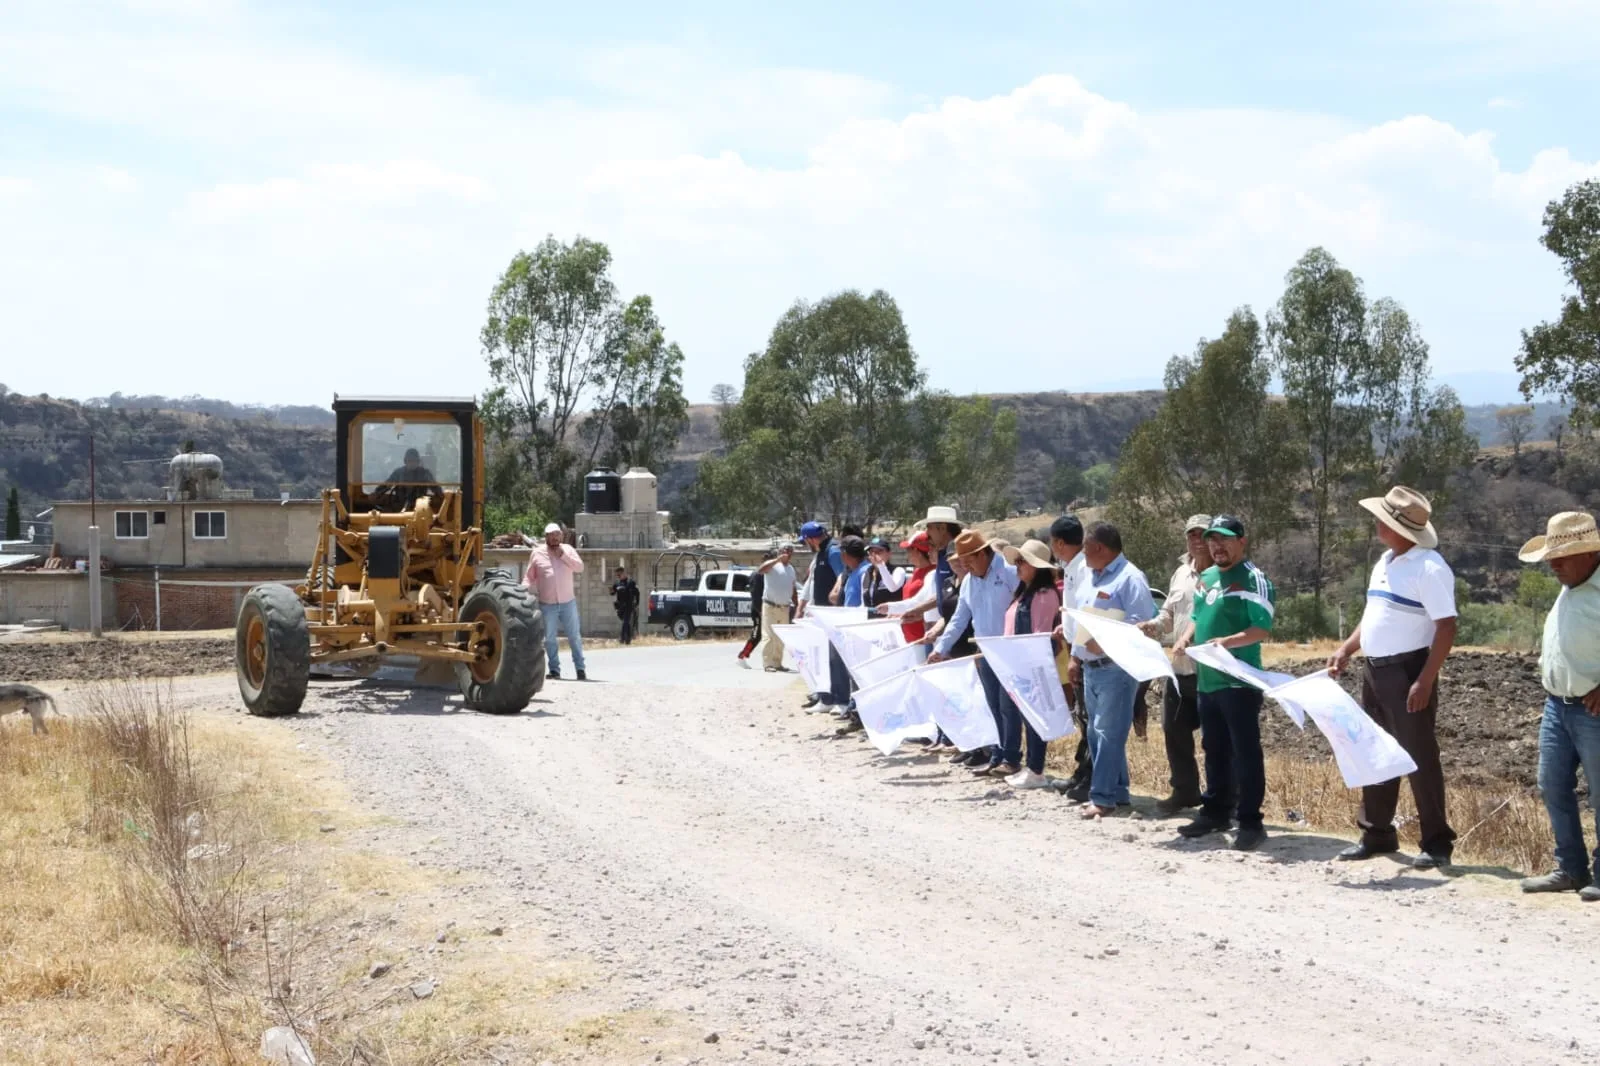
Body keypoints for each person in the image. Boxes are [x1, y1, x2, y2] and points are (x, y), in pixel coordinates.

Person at [1328, 487, 1459, 869]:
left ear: (1401, 527)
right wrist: (1348, 648)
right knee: (1375, 749)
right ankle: (1377, 833)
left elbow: (1446, 627)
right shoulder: (1385, 561)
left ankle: (1436, 843)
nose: (1376, 524)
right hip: (1376, 670)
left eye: (1383, 519)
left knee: (1418, 756)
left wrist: (1425, 680)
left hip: (1408, 670)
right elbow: (1373, 614)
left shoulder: (1429, 567)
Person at [1173, 515, 1275, 851]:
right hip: (1208, 681)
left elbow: (1262, 629)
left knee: (1244, 753)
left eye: (1224, 539)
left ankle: (1250, 821)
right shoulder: (1208, 577)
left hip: (1239, 682)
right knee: (1213, 749)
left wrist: (1225, 643)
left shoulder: (1254, 579)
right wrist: (1186, 639)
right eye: (1213, 539)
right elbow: (1198, 617)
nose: (1217, 546)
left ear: (1241, 542)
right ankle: (1215, 811)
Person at [1515, 512, 1600, 902]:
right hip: (1557, 707)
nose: (1553, 564)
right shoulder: (1570, 583)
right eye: (1551, 557)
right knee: (1552, 785)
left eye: (1561, 556)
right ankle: (1570, 867)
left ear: (1589, 553)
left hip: (1593, 711)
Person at [1068, 522, 1155, 818]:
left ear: (1100, 549)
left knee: (1109, 732)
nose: (1082, 553)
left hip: (1117, 667)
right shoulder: (1089, 577)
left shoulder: (1131, 578)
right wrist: (1077, 656)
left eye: (1086, 548)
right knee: (1096, 730)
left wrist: (1105, 643)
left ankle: (1102, 797)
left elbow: (1143, 623)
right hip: (1091, 666)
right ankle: (1118, 791)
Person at [929, 529, 1020, 776]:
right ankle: (998, 754)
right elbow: (959, 619)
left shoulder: (1010, 572)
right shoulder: (969, 581)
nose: (964, 565)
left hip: (1009, 650)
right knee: (991, 704)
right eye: (962, 561)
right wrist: (941, 648)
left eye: (968, 560)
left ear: (982, 554)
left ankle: (1012, 758)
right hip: (983, 651)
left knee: (1007, 705)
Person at [1140, 513, 1212, 814]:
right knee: (1173, 729)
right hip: (1179, 668)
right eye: (1191, 534)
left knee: (1216, 740)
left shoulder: (1222, 575)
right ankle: (1185, 791)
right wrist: (1153, 626)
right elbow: (1168, 614)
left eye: (1202, 534)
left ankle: (1222, 799)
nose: (1196, 540)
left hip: (1211, 671)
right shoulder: (1181, 573)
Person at [1000, 539, 1063, 789]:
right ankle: (1031, 766)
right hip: (1018, 665)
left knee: (1036, 717)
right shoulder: (1025, 593)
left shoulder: (1045, 595)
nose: (1017, 565)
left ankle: (1036, 769)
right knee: (1027, 716)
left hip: (1032, 667)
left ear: (1036, 567)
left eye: (1022, 561)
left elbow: (1040, 634)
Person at [1050, 515, 1094, 799]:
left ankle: (1090, 775)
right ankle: (1083, 772)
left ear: (1060, 543)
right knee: (1083, 716)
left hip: (1084, 652)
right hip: (1073, 646)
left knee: (1090, 719)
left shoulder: (1084, 568)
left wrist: (1076, 655)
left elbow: (1085, 614)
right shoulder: (1071, 567)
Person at [526, 522, 587, 681]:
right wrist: (521, 591)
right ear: (546, 537)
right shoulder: (537, 553)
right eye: (551, 535)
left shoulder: (568, 549)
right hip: (548, 604)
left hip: (568, 602)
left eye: (557, 535)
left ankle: (580, 669)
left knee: (574, 636)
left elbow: (580, 568)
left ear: (561, 535)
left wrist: (563, 556)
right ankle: (554, 670)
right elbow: (529, 577)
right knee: (550, 638)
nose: (554, 538)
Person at [798, 521, 843, 710]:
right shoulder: (821, 553)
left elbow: (842, 576)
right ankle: (825, 698)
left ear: (811, 538)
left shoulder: (832, 551)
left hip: (832, 612)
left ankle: (839, 700)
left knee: (834, 658)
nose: (806, 544)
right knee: (822, 657)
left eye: (806, 540)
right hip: (820, 612)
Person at [754, 546, 798, 672]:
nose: (787, 554)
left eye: (790, 552)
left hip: (784, 607)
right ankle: (768, 664)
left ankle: (777, 663)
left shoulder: (791, 569)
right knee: (769, 635)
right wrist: (777, 560)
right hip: (770, 605)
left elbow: (793, 588)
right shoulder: (772, 565)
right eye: (784, 551)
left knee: (781, 636)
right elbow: (761, 570)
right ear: (779, 552)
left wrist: (797, 604)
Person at [736, 555, 771, 669]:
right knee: (756, 635)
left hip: (766, 609)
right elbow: (755, 596)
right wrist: (761, 611)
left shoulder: (766, 574)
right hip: (758, 610)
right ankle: (742, 656)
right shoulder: (758, 575)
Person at [860, 536, 906, 608]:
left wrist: (881, 565)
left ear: (889, 554)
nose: (875, 555)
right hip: (871, 617)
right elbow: (863, 603)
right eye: (872, 552)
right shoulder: (866, 574)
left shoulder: (898, 571)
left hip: (890, 617)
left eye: (879, 551)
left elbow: (892, 588)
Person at [611, 566, 640, 645]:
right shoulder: (617, 583)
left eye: (619, 575)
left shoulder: (631, 582)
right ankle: (629, 638)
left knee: (625, 621)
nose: (618, 577)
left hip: (629, 605)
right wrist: (612, 590)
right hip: (620, 607)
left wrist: (637, 603)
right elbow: (612, 593)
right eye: (617, 575)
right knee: (625, 622)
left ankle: (623, 639)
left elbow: (637, 593)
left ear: (624, 573)